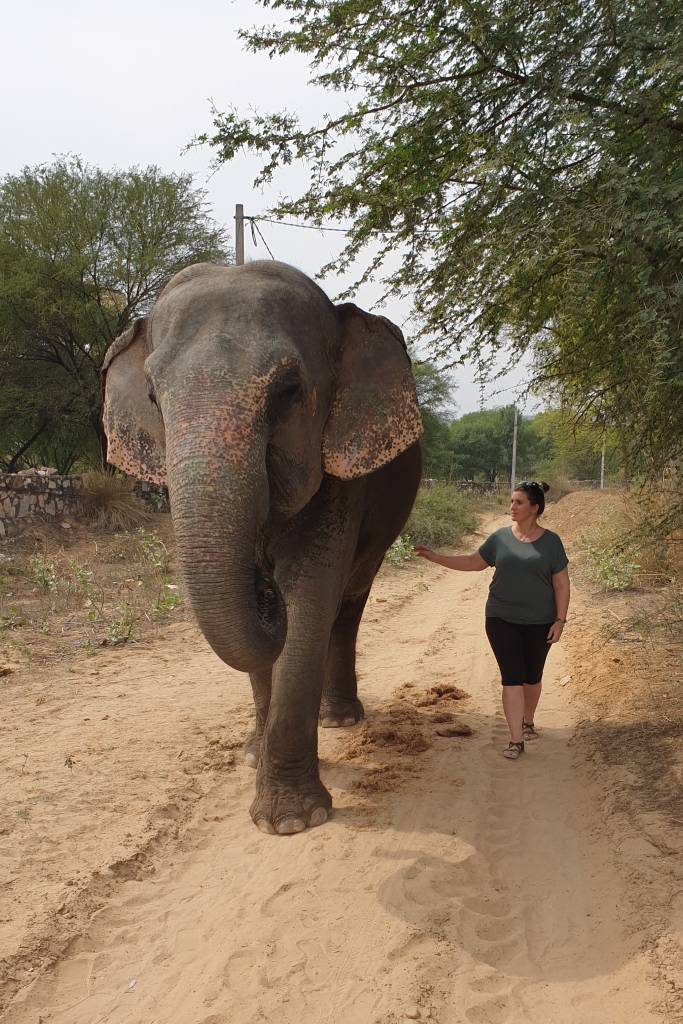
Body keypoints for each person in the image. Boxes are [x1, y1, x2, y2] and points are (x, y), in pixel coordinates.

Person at [414, 481, 570, 760]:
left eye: (519, 502)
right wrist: (436, 558)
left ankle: (528, 720)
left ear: (535, 508)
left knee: (531, 677)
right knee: (511, 677)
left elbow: (561, 585)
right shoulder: (499, 538)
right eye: (511, 501)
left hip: (540, 621)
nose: (512, 507)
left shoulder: (552, 543)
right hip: (500, 618)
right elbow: (474, 562)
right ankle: (515, 740)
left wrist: (560, 621)